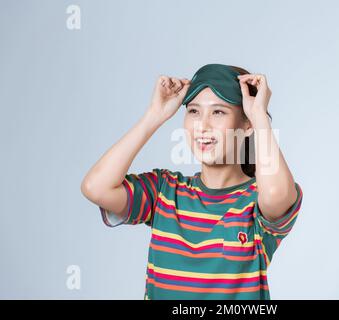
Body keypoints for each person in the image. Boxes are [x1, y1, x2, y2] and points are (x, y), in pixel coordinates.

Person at [81, 63, 303, 300]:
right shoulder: (164, 191)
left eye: (218, 112)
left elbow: (277, 196)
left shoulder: (254, 203)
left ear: (246, 123)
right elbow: (96, 187)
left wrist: (259, 116)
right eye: (194, 111)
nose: (202, 126)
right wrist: (154, 116)